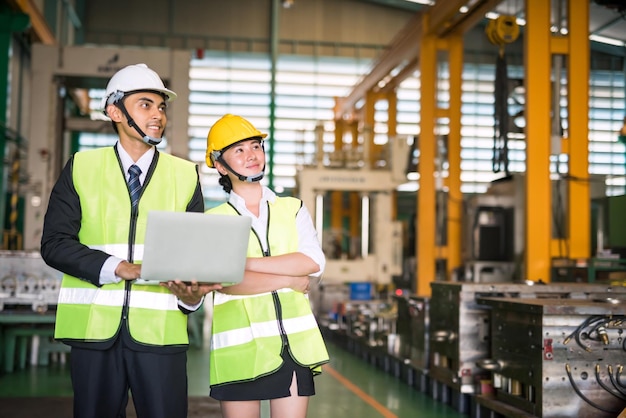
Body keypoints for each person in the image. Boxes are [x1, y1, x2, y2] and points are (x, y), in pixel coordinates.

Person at [40, 63, 222, 418]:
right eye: (145, 104)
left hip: (161, 334)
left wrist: (191, 299)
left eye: (161, 107)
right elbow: (55, 243)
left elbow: (194, 255)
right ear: (115, 112)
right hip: (93, 331)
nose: (157, 115)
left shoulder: (185, 175)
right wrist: (117, 268)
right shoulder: (81, 167)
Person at [204, 114, 330, 418]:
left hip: (294, 350)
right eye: (239, 150)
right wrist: (287, 279)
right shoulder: (214, 220)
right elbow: (224, 282)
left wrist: (244, 264)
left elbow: (312, 261)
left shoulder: (293, 208)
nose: (251, 156)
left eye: (256, 146)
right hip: (239, 351)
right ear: (220, 165)